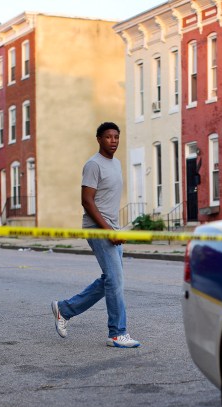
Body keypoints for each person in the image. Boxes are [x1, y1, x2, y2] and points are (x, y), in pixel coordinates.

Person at [51, 122, 140, 348]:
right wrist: (108, 231)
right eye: (108, 137)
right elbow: (87, 201)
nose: (113, 141)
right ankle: (117, 333)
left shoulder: (116, 164)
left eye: (116, 137)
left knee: (110, 279)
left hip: (111, 228)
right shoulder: (93, 165)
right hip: (98, 228)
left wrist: (115, 229)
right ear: (99, 139)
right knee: (116, 280)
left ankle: (64, 309)